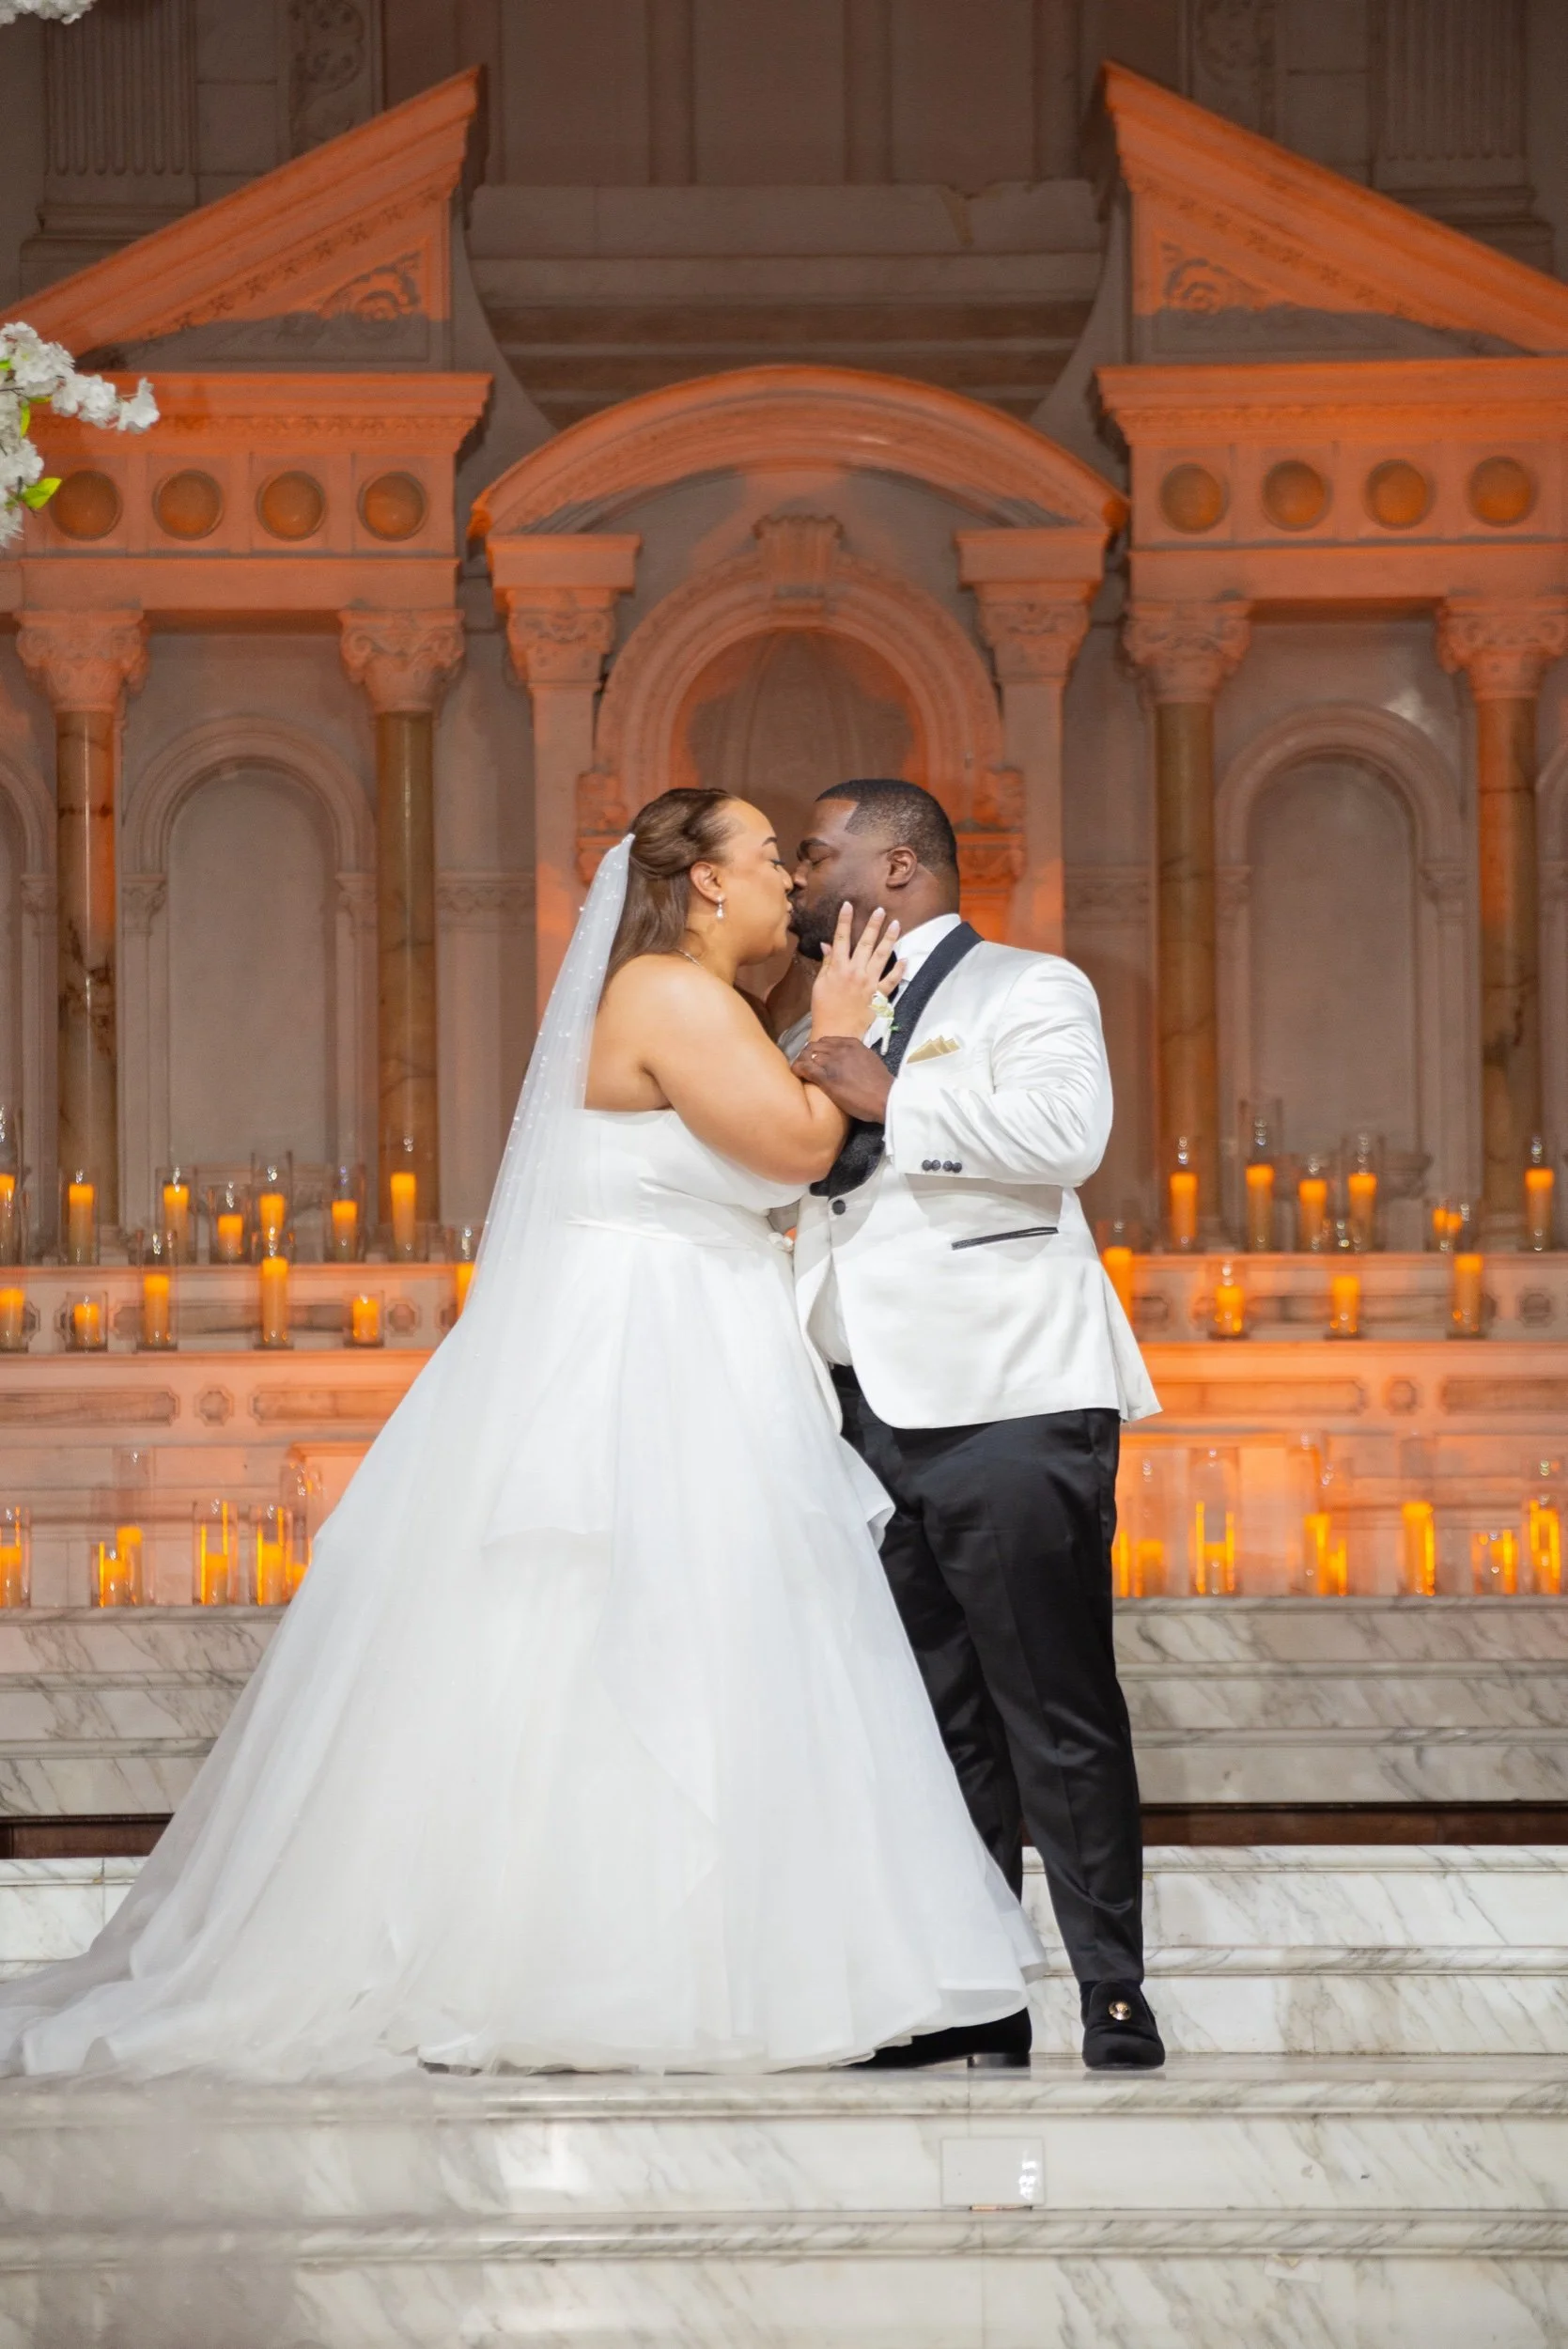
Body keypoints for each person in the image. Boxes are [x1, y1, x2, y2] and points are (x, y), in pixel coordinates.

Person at [0, 788, 1044, 2079]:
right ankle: (606, 1960)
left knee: (722, 1651)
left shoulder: (702, 1003)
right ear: (709, 885)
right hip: (650, 1362)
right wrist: (836, 1031)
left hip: (704, 1345)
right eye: (771, 858)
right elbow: (790, 1153)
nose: (790, 881)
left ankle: (760, 1961)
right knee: (633, 1647)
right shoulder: (669, 993)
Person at [779, 779, 1165, 2073]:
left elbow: (1069, 1134)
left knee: (1052, 1708)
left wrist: (892, 1093)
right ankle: (971, 1995)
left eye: (815, 853)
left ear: (895, 871)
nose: (794, 872)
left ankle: (1113, 1990)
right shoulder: (811, 1019)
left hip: (1007, 1393)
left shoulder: (1028, 987)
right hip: (857, 1412)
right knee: (932, 1720)